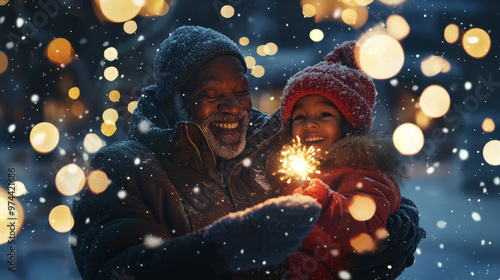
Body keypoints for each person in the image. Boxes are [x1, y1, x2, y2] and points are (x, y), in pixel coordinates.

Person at [71, 26, 424, 280]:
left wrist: (402, 228)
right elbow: (114, 268)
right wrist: (214, 250)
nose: (233, 107)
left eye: (241, 90)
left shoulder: (271, 140)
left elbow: (358, 176)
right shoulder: (124, 167)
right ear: (171, 100)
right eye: (211, 93)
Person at [229, 41, 426, 279]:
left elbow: (366, 226)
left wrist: (325, 200)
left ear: (348, 124)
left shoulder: (365, 171)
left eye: (324, 115)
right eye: (300, 116)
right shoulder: (288, 166)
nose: (310, 123)